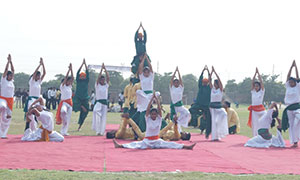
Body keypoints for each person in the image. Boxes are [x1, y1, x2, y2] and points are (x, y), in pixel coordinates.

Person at [113, 93, 196, 150]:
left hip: (157, 140)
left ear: (157, 115)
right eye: (152, 114)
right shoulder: (148, 119)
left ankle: (187, 147)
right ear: (150, 115)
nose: (153, 115)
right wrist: (151, 100)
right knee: (135, 145)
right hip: (147, 141)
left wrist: (157, 100)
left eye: (155, 114)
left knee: (171, 144)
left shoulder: (159, 119)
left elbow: (159, 110)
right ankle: (119, 146)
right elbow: (147, 110)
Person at [132, 54, 159, 132]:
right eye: (145, 71)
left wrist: (147, 59)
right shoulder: (142, 76)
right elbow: (140, 68)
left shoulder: (151, 76)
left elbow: (151, 68)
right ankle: (141, 128)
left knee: (145, 108)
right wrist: (143, 59)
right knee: (142, 109)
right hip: (143, 95)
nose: (146, 72)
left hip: (150, 95)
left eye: (147, 71)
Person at [189, 66, 212, 138]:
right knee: (191, 110)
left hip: (206, 105)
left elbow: (210, 79)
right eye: (203, 82)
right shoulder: (201, 86)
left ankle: (207, 133)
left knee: (208, 119)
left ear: (207, 83)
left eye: (205, 82)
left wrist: (208, 72)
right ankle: (198, 117)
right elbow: (200, 79)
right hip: (198, 104)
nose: (204, 83)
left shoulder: (209, 88)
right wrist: (202, 71)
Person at [24, 58, 46, 131]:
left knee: (39, 114)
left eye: (39, 76)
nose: (39, 77)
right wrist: (39, 65)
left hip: (38, 99)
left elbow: (45, 73)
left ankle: (35, 128)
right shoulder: (32, 81)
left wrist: (43, 64)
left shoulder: (39, 82)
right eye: (37, 75)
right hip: (32, 99)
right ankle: (30, 128)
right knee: (31, 114)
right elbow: (34, 73)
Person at [281, 60, 300, 148]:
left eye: (293, 81)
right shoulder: (288, 86)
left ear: (295, 82)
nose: (291, 83)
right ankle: (294, 142)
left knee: (297, 122)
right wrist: (290, 67)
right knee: (292, 125)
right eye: (290, 82)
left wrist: (295, 67)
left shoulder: (298, 86)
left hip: (297, 107)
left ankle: (298, 137)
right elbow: (288, 76)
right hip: (289, 108)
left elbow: (298, 77)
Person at [209, 66, 228, 141]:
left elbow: (220, 81)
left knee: (224, 114)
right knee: (214, 122)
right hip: (212, 106)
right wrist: (211, 72)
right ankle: (214, 137)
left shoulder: (220, 90)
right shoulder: (212, 89)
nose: (214, 85)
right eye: (214, 84)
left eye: (215, 84)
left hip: (218, 106)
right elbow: (209, 80)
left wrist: (215, 73)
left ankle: (220, 133)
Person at [169, 66, 191, 133]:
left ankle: (180, 122)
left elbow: (181, 81)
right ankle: (178, 132)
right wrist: (174, 72)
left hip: (180, 105)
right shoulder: (172, 88)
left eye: (177, 82)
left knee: (187, 113)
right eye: (175, 82)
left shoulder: (180, 88)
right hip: (174, 106)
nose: (176, 83)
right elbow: (171, 81)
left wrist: (178, 73)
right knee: (174, 119)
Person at [56, 63, 74, 136]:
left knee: (68, 118)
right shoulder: (62, 86)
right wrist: (68, 70)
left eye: (70, 81)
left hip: (70, 103)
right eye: (68, 81)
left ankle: (64, 131)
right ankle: (63, 120)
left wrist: (71, 69)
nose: (69, 82)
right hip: (64, 103)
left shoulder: (70, 87)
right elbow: (66, 78)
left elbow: (72, 78)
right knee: (63, 111)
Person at [92, 63, 110, 136]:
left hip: (105, 103)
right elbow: (97, 78)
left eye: (103, 80)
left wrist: (105, 69)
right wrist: (101, 70)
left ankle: (101, 132)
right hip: (99, 102)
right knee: (96, 112)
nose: (103, 81)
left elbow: (108, 78)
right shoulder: (97, 85)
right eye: (101, 80)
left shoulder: (106, 85)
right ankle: (97, 131)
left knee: (103, 118)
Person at [0, 54, 15, 139]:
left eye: (12, 75)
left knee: (8, 117)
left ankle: (3, 134)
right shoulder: (3, 80)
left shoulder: (12, 81)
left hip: (10, 100)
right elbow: (6, 70)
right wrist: (8, 62)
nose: (11, 76)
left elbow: (13, 70)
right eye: (10, 75)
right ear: (7, 76)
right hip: (3, 99)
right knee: (2, 106)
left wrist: (12, 61)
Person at [248, 68, 265, 137]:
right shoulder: (253, 92)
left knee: (263, 122)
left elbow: (261, 82)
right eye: (255, 86)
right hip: (254, 110)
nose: (256, 87)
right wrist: (255, 74)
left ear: (259, 86)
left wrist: (259, 75)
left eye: (257, 86)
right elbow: (252, 82)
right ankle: (255, 136)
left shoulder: (262, 91)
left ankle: (263, 135)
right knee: (254, 124)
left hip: (261, 109)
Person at [73, 59, 90, 131]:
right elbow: (77, 72)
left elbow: (88, 72)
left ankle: (80, 126)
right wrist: (81, 65)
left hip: (85, 97)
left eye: (84, 76)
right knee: (75, 104)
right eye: (81, 76)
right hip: (78, 97)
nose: (82, 77)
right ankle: (81, 106)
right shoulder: (78, 80)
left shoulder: (86, 81)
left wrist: (85, 65)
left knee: (86, 112)